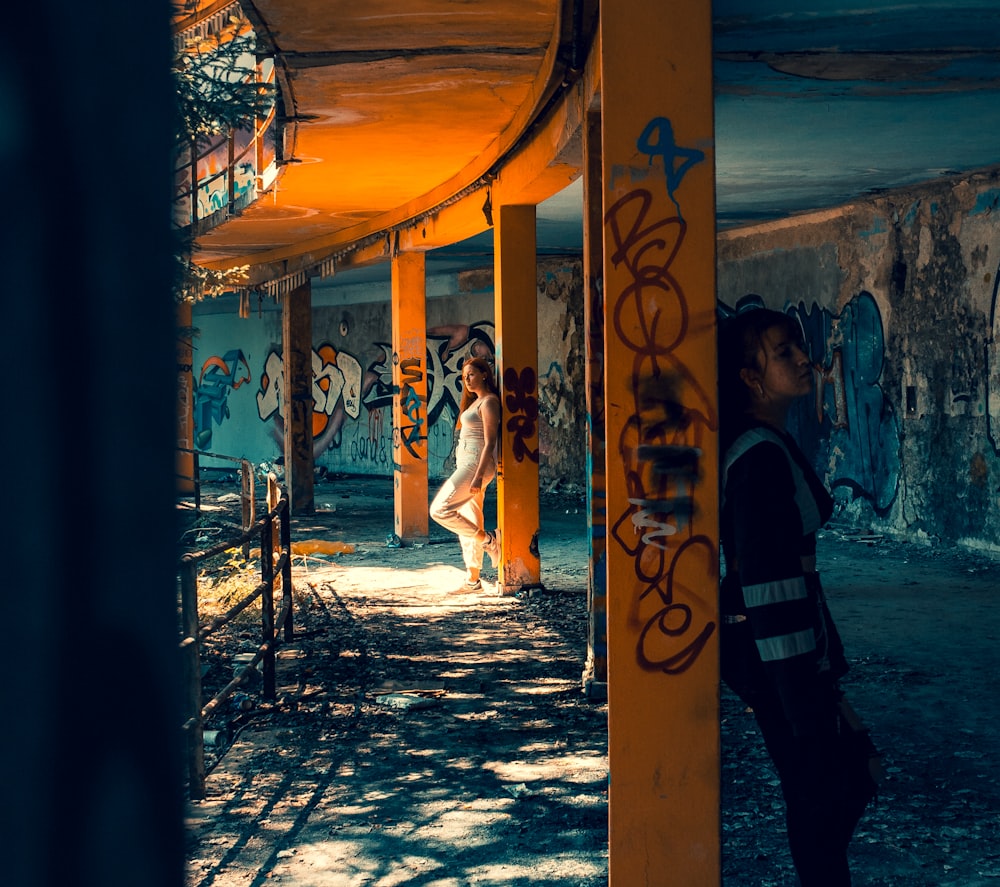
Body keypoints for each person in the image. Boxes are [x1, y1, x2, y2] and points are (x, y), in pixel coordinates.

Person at [718, 307, 879, 886]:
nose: (805, 360)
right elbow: (770, 584)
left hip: (780, 654)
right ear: (749, 377)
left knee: (828, 788)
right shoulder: (759, 458)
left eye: (799, 348)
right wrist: (802, 694)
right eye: (783, 352)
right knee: (827, 789)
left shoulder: (765, 443)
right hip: (777, 656)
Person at [430, 356, 502, 590]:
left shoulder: (489, 402)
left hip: (475, 466)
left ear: (484, 374)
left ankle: (489, 540)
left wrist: (479, 475)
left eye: (471, 374)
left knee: (440, 510)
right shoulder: (474, 402)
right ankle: (473, 579)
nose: (467, 380)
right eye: (464, 377)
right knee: (470, 519)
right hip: (466, 465)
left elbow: (490, 442)